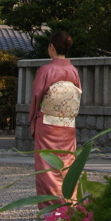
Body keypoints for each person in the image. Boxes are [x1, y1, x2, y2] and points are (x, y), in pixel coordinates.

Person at [29, 31, 82, 206]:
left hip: (48, 124)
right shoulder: (73, 71)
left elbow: (37, 96)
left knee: (47, 165)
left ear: (51, 47)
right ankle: (69, 201)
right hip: (68, 124)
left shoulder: (46, 70)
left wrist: (33, 118)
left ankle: (51, 205)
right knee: (67, 162)